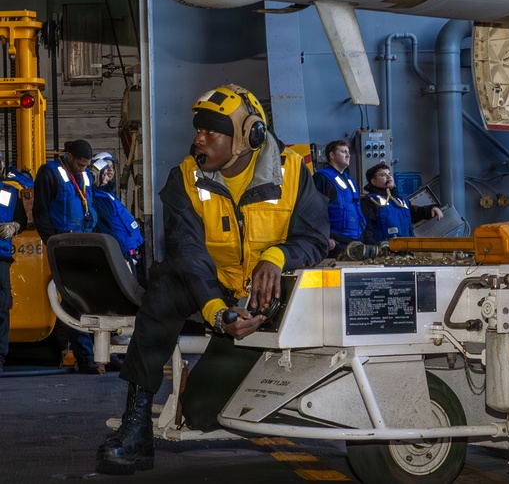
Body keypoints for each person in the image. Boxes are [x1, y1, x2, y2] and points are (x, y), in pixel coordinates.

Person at [95, 84, 328, 476]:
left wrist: (276, 256)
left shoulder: (293, 173)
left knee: (202, 413)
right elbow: (189, 254)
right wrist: (218, 313)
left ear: (249, 136)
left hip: (268, 293)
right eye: (197, 130)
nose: (198, 139)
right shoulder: (185, 178)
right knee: (164, 287)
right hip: (211, 286)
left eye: (210, 132)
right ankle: (136, 427)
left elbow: (315, 238)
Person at [34, 139, 100, 374]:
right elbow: (40, 213)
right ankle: (86, 358)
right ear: (68, 156)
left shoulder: (87, 176)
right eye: (80, 164)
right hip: (63, 245)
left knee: (89, 300)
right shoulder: (49, 174)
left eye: (86, 165)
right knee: (74, 302)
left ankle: (98, 353)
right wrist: (53, 244)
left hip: (86, 243)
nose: (83, 169)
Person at [90, 152, 146, 286]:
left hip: (131, 254)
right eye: (105, 167)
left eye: (111, 167)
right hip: (122, 256)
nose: (109, 170)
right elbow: (108, 231)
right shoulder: (99, 199)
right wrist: (120, 255)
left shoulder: (109, 195)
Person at [361, 164, 443, 244]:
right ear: (373, 182)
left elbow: (415, 212)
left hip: (407, 249)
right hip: (384, 251)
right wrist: (372, 248)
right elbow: (367, 229)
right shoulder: (369, 201)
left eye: (389, 174)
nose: (389, 177)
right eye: (383, 175)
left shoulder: (401, 200)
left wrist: (432, 209)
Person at [0, 164, 30, 373]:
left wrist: (15, 226)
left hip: (1, 256)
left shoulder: (10, 192)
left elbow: (22, 219)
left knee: (1, 307)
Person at [313, 140, 366, 257]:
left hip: (355, 241)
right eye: (343, 152)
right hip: (335, 243)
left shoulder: (350, 181)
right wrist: (325, 237)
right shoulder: (322, 178)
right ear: (331, 155)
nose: (348, 155)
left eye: (348, 152)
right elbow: (314, 211)